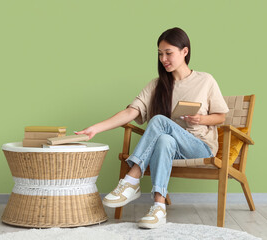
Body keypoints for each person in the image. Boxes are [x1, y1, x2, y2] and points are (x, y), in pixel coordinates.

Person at [75, 27, 229, 229]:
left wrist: (200, 119)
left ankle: (131, 179)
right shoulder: (157, 85)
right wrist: (96, 128)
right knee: (165, 139)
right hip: (172, 149)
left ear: (185, 51)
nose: (163, 58)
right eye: (160, 54)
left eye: (168, 53)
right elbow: (130, 112)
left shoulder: (205, 80)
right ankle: (158, 208)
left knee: (159, 120)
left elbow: (221, 117)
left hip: (199, 146)